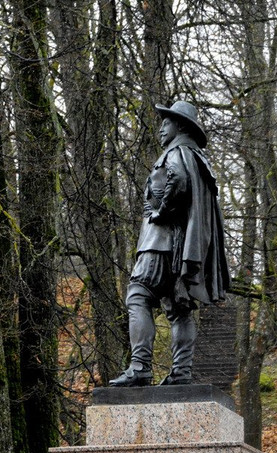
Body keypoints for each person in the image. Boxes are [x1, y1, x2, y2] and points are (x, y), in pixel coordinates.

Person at [109, 100, 230, 387]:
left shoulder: (175, 153)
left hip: (160, 244)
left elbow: (179, 182)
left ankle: (139, 366)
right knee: (179, 309)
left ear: (181, 126)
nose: (162, 128)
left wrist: (160, 211)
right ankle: (181, 372)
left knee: (138, 296)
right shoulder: (198, 157)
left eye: (167, 122)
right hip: (181, 247)